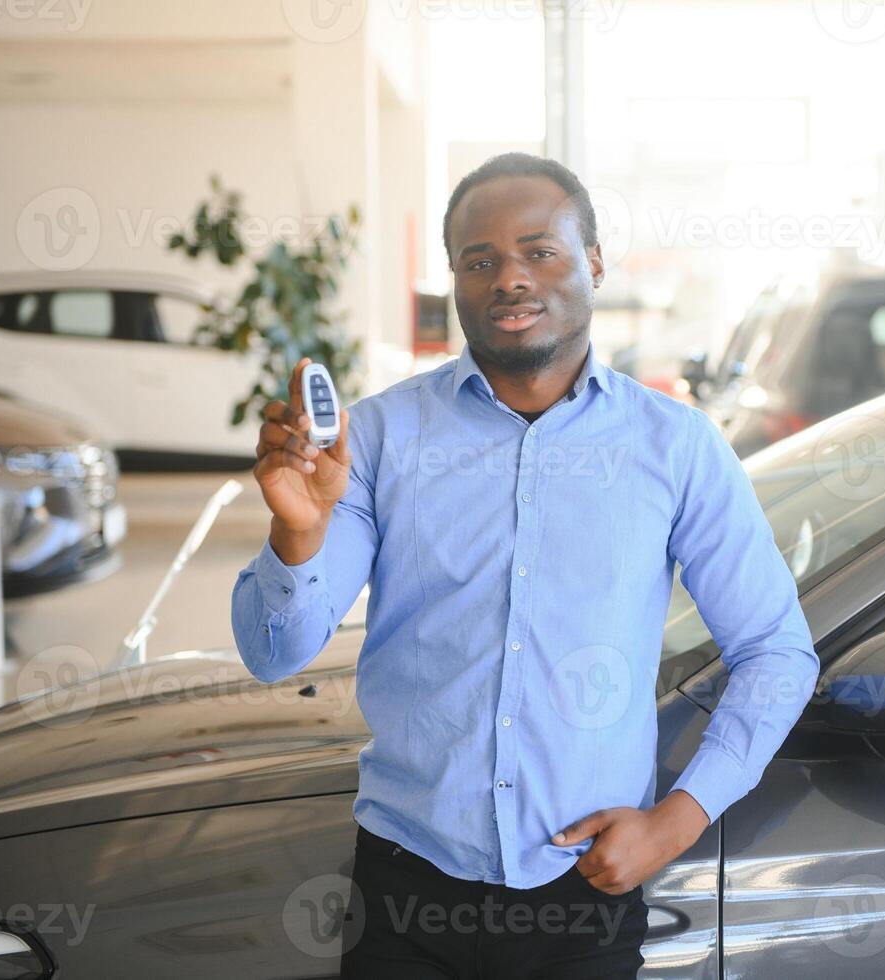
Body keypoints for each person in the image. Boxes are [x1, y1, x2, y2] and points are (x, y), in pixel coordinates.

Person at [231, 151, 819, 978]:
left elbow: (775, 650)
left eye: (539, 250)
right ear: (455, 284)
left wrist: (678, 819)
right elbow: (273, 652)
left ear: (595, 264)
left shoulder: (673, 447)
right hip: (405, 890)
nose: (510, 277)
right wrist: (296, 533)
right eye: (481, 260)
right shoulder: (379, 439)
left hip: (581, 896)